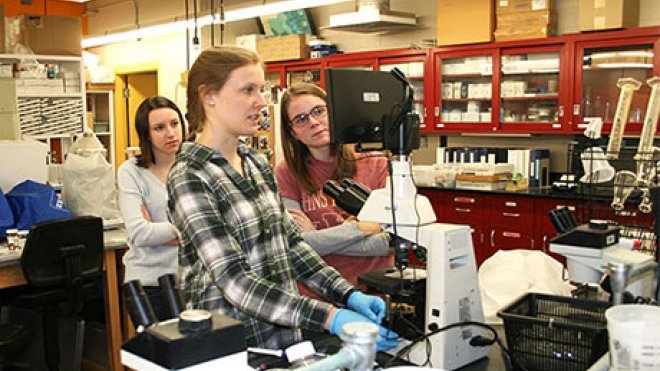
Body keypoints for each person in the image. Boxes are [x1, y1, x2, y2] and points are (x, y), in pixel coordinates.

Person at [167, 45, 398, 350]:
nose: (261, 102)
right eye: (248, 90)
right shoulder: (190, 175)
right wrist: (332, 317)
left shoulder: (256, 164)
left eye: (261, 90)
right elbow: (235, 281)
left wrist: (347, 294)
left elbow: (293, 247)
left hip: (285, 335)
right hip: (229, 343)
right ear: (209, 95)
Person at [274, 83, 392, 300]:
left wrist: (320, 240)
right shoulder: (286, 173)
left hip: (375, 293)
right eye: (301, 119)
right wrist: (361, 228)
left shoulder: (377, 163)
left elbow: (389, 243)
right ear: (293, 132)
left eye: (319, 111)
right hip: (319, 298)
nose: (314, 122)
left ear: (333, 111)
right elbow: (297, 245)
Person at [118, 96, 185, 321]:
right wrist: (190, 231)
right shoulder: (131, 172)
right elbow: (139, 233)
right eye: (159, 128)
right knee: (160, 353)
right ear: (146, 134)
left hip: (190, 280)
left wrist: (161, 231)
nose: (170, 133)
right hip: (149, 284)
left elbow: (219, 224)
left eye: (174, 124)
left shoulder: (193, 167)